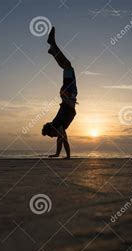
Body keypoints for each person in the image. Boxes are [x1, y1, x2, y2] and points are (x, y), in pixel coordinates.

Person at [41, 27, 77, 159]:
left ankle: (53, 44)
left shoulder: (57, 126)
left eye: (50, 135)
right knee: (66, 66)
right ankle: (53, 50)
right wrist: (61, 155)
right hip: (69, 95)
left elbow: (61, 138)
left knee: (68, 65)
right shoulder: (59, 128)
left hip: (69, 93)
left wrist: (57, 153)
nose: (52, 137)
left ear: (51, 129)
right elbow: (63, 140)